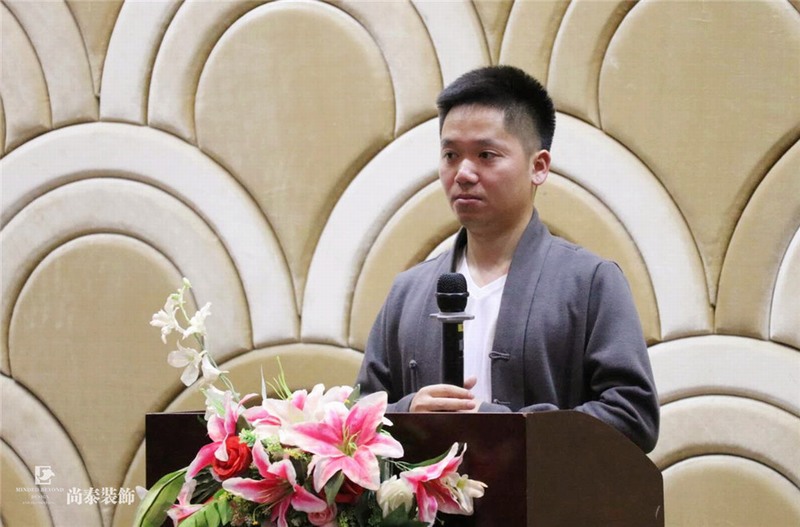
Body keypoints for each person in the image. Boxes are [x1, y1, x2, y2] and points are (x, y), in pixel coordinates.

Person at [356, 65, 659, 453]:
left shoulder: (591, 282)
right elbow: (355, 419)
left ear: (538, 166)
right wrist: (408, 411)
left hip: (546, 492)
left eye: (486, 155)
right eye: (450, 155)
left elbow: (633, 417)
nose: (463, 173)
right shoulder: (408, 290)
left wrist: (502, 426)